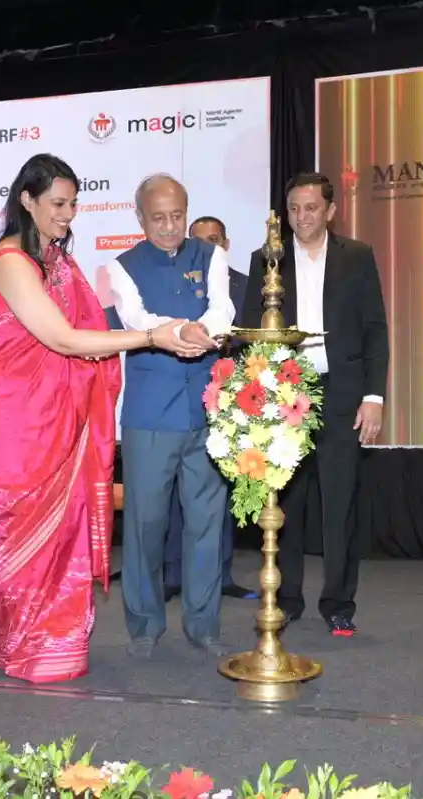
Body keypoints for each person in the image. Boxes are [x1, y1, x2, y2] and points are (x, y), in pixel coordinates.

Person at [0, 154, 204, 684]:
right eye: (58, 203)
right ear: (26, 200)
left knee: (61, 531)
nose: (68, 214)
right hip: (16, 422)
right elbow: (64, 338)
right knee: (14, 529)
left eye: (73, 203)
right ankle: (12, 640)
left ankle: (50, 643)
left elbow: (81, 336)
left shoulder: (59, 262)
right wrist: (150, 336)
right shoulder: (11, 260)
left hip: (61, 417)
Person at [242, 172, 390, 638]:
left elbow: (374, 329)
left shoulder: (357, 257)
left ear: (330, 210)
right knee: (284, 502)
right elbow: (251, 330)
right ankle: (286, 598)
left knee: (340, 503)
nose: (301, 217)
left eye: (311, 208)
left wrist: (373, 396)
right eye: (294, 209)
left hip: (343, 394)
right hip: (286, 395)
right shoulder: (266, 259)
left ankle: (339, 603)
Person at [105, 174, 236, 659]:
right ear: (140, 218)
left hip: (206, 410)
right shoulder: (122, 266)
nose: (169, 226)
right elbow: (138, 321)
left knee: (206, 523)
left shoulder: (210, 255)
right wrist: (185, 328)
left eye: (177, 216)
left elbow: (222, 307)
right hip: (149, 416)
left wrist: (207, 329)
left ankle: (204, 625)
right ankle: (143, 625)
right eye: (158, 218)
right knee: (145, 525)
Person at [163, 215, 256, 601]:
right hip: (181, 400)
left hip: (229, 402)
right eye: (200, 240)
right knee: (175, 495)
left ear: (226, 243)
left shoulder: (247, 287)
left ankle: (221, 574)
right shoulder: (175, 281)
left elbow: (253, 343)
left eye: (215, 240)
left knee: (219, 491)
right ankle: (172, 576)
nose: (208, 247)